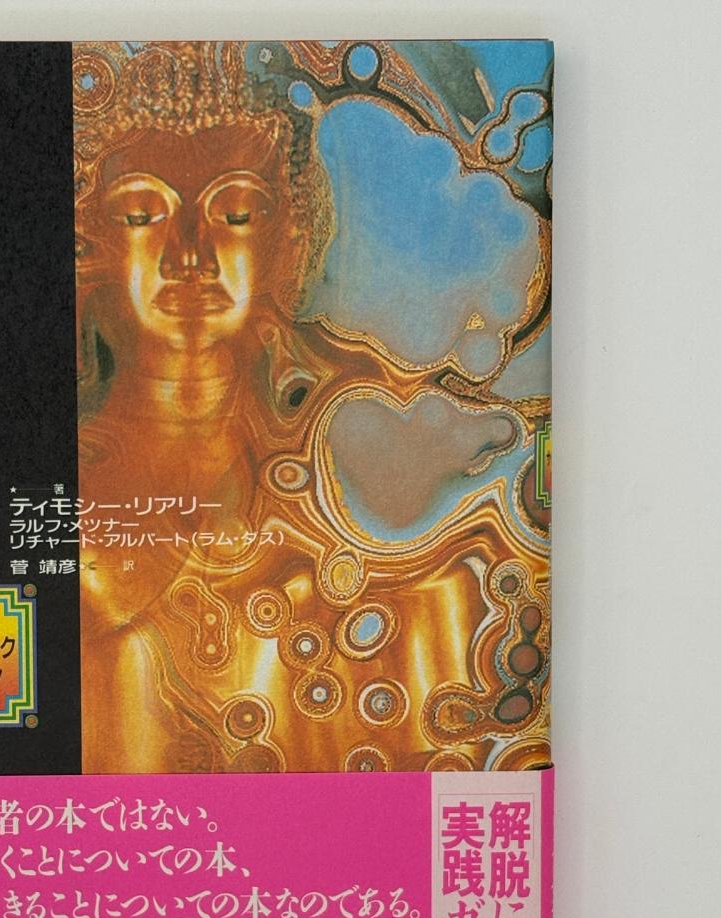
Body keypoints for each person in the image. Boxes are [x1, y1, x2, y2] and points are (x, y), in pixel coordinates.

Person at [72, 41, 551, 774]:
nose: (189, 255)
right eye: (141, 214)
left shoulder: (367, 500)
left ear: (291, 241)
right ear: (92, 245)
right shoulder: (43, 496)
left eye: (235, 213)